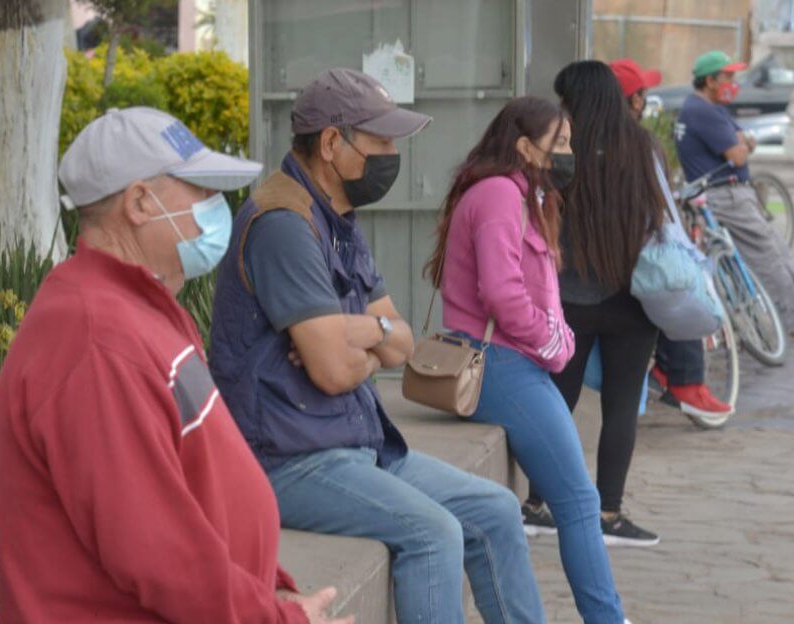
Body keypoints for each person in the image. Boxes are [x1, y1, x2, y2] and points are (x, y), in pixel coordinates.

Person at [210, 68, 547, 624]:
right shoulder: (284, 223)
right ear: (331, 143)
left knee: (497, 509)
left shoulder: (337, 218)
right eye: (382, 141)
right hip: (286, 460)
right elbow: (333, 372)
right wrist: (364, 335)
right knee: (432, 533)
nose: (393, 154)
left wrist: (360, 331)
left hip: (352, 442)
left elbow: (403, 342)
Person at [0, 107, 351, 624]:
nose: (218, 207)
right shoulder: (96, 341)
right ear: (139, 201)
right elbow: (156, 550)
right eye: (201, 191)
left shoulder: (143, 307)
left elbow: (196, 477)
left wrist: (267, 589)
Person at [431, 95, 630, 624]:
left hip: (513, 361)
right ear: (524, 146)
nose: (567, 153)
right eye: (557, 144)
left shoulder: (520, 193)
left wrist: (555, 335)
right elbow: (502, 293)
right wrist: (552, 343)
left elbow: (538, 289)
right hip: (499, 363)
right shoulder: (498, 194)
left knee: (576, 501)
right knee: (580, 503)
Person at [522, 60, 669, 549]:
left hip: (568, 299)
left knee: (556, 403)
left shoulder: (563, 148)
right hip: (632, 300)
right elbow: (660, 216)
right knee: (622, 405)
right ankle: (609, 512)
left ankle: (539, 505)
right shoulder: (643, 148)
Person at [676, 50, 794, 332]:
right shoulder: (702, 111)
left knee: (775, 248)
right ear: (710, 81)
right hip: (724, 195)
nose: (733, 83)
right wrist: (741, 146)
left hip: (728, 193)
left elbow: (743, 141)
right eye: (728, 77)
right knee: (766, 253)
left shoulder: (707, 109)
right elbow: (738, 154)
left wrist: (741, 144)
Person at [610, 57, 735, 422]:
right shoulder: (640, 143)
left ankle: (677, 376)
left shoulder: (585, 139)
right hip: (633, 259)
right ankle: (685, 380)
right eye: (642, 94)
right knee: (678, 285)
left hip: (602, 260)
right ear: (633, 101)